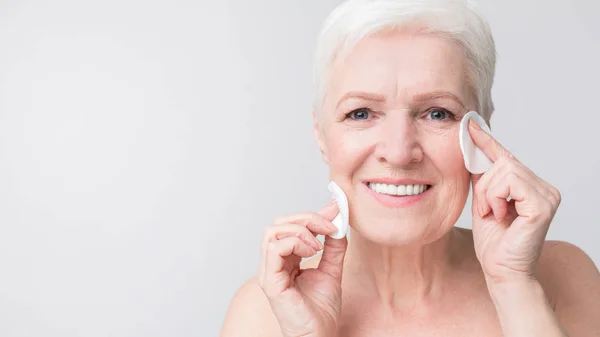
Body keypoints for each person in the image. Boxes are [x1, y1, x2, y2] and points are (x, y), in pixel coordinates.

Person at [220, 0, 600, 335]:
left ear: (482, 131)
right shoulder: (264, 311)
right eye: (361, 113)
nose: (399, 152)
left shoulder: (560, 277)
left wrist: (514, 288)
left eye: (438, 113)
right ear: (321, 135)